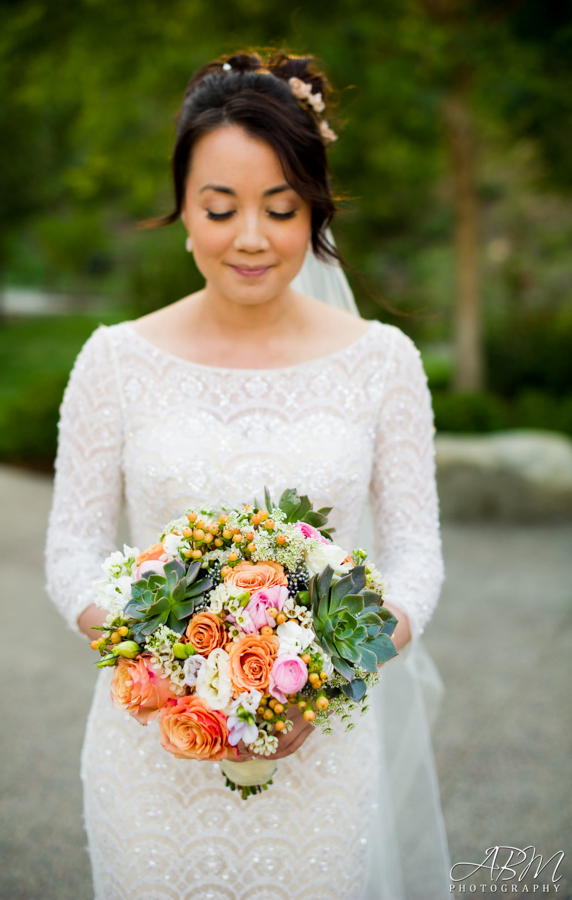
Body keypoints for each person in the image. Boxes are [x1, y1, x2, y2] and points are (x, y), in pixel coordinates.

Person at [45, 51, 451, 899]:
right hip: (150, 751)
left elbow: (416, 561)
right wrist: (168, 659)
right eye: (220, 208)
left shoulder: (383, 364)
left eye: (282, 207)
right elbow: (72, 552)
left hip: (320, 752)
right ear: (184, 213)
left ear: (315, 212)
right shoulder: (114, 361)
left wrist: (330, 670)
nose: (252, 237)